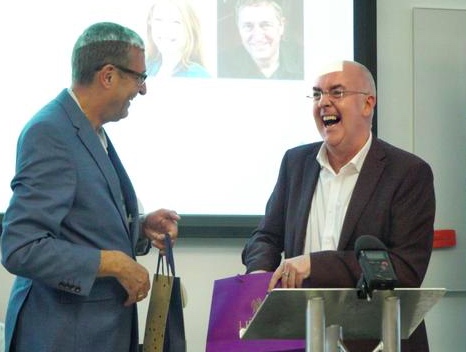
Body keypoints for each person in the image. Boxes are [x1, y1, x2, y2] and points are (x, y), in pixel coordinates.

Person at [0, 22, 180, 352]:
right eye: (139, 78)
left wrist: (139, 228)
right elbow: (21, 246)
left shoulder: (87, 129)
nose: (142, 90)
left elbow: (79, 222)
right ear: (108, 75)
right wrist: (113, 263)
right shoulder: (51, 133)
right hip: (62, 337)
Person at [241, 60, 435, 351]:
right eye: (317, 94)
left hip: (381, 340)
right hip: (304, 336)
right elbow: (266, 236)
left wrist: (314, 265)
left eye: (337, 92)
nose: (324, 103)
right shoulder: (296, 163)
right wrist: (259, 272)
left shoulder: (408, 173)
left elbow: (405, 269)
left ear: (368, 104)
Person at [217, 0, 303, 79]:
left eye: (265, 25)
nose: (257, 36)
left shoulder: (305, 61)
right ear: (239, 28)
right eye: (248, 26)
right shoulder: (221, 66)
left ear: (281, 26)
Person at [146, 0, 210, 78]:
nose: (165, 29)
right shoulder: (146, 68)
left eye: (176, 22)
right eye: (158, 20)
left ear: (190, 29)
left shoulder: (198, 76)